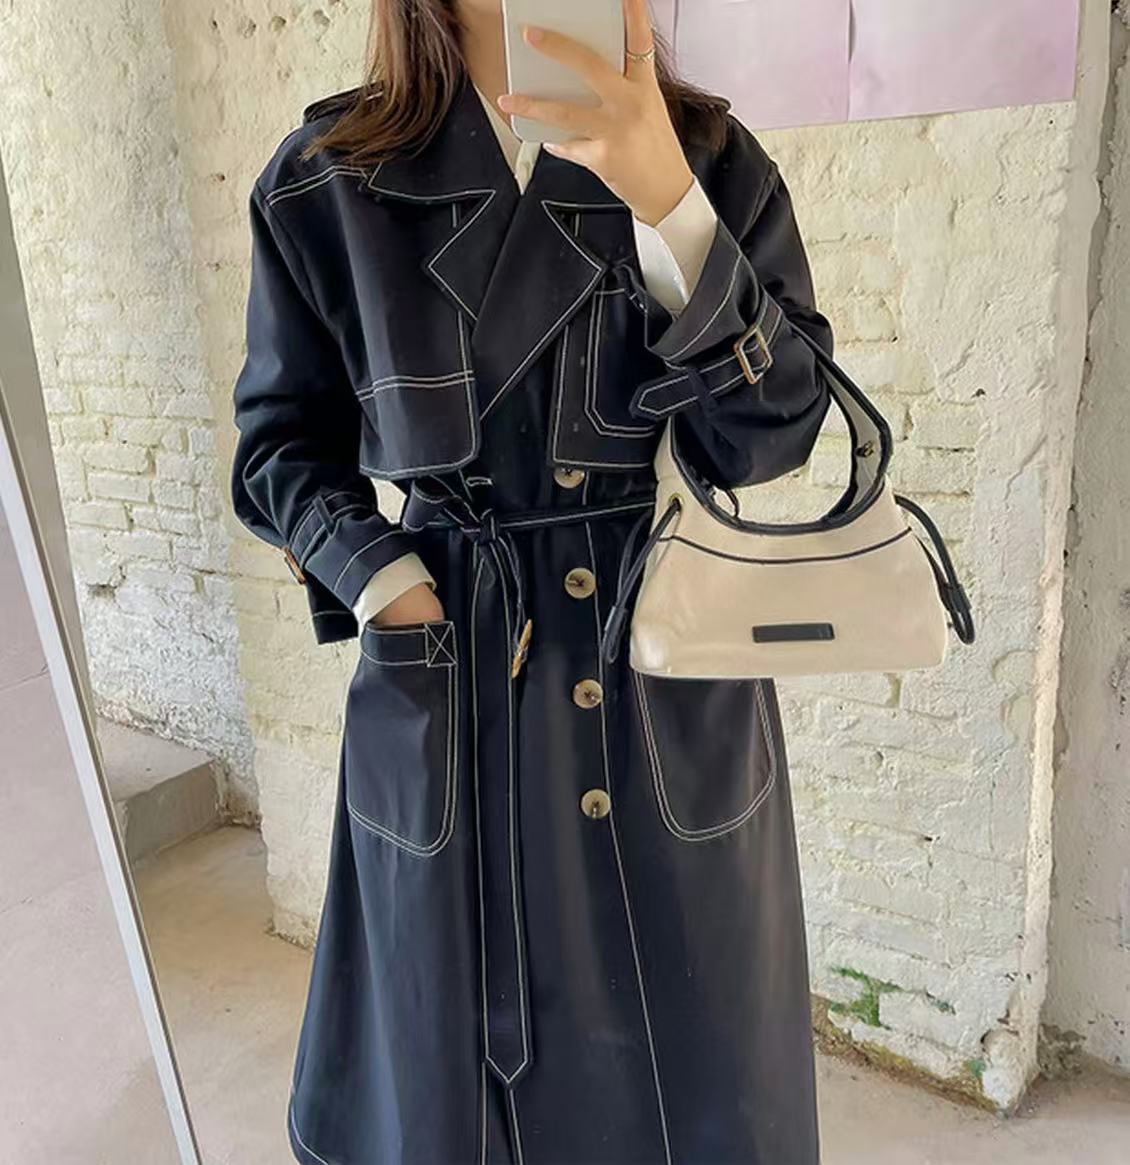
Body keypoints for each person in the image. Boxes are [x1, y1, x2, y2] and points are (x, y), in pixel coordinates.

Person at [231, 1, 833, 1161]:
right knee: (449, 1085)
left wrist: (666, 200)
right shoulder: (326, 180)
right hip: (446, 669)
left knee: (690, 1073)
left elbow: (775, 434)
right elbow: (277, 450)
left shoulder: (704, 156)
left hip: (651, 686)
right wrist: (385, 584)